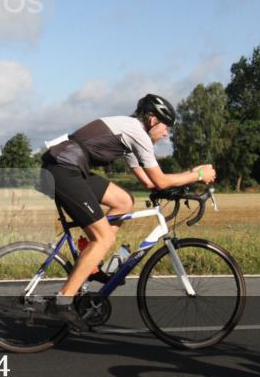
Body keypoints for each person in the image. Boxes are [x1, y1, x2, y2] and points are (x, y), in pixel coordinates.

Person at [40, 94, 217, 332]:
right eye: (165, 126)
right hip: (63, 168)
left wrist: (183, 183)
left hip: (68, 166)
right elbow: (161, 180)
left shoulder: (131, 133)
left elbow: (150, 183)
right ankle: (62, 301)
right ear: (153, 119)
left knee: (124, 201)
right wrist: (197, 175)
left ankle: (91, 261)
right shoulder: (138, 133)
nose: (166, 133)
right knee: (105, 237)